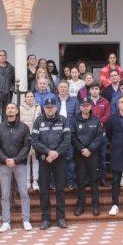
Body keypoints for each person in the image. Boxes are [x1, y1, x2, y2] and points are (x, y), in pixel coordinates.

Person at [32, 96, 71, 229]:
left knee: (60, 189)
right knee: (44, 190)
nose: (50, 109)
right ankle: (46, 218)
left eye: (52, 107)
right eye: (47, 107)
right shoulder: (38, 121)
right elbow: (35, 141)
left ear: (56, 107)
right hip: (44, 159)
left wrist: (56, 153)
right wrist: (49, 152)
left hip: (59, 159)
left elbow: (67, 141)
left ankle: (60, 217)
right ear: (44, 108)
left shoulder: (63, 121)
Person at [0, 103, 32, 232]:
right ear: (5, 111)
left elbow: (26, 146)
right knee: (5, 194)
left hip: (19, 164)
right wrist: (5, 159)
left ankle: (26, 220)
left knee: (24, 193)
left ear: (17, 111)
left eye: (12, 108)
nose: (10, 110)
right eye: (8, 108)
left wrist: (16, 159)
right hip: (4, 165)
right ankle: (6, 221)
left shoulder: (24, 128)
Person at [72, 99, 103, 216]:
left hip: (92, 154)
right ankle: (80, 205)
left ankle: (95, 205)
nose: (85, 108)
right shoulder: (74, 121)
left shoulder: (96, 120)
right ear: (80, 107)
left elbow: (99, 136)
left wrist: (90, 149)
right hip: (80, 154)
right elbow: (72, 137)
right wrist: (82, 149)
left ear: (91, 107)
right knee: (80, 180)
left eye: (87, 106)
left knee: (94, 180)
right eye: (83, 106)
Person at [55, 80, 80, 190]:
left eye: (65, 87)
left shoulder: (74, 101)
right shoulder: (53, 101)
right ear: (58, 89)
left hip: (69, 134)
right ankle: (56, 182)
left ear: (68, 88)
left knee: (69, 159)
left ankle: (70, 182)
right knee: (56, 158)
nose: (63, 89)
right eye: (61, 87)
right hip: (55, 135)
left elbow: (77, 117)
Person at [88, 82, 111, 186]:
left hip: (101, 135)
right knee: (89, 158)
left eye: (96, 89)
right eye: (92, 89)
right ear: (89, 90)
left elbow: (108, 115)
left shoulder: (105, 102)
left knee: (101, 158)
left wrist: (98, 122)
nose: (94, 90)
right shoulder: (86, 102)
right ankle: (90, 179)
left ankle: (102, 179)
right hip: (88, 136)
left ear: (99, 90)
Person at [20, 91, 42, 190]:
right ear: (25, 98)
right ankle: (27, 181)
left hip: (36, 136)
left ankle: (36, 181)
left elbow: (40, 121)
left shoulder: (38, 107)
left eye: (31, 96)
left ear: (34, 98)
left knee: (35, 159)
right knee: (26, 159)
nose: (29, 98)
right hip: (25, 137)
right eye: (27, 96)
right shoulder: (20, 108)